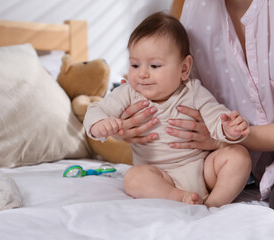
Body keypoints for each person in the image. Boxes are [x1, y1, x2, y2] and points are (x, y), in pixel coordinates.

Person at [117, 0, 274, 219]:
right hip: (217, 165)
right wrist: (124, 127)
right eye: (135, 65)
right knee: (134, 177)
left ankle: (209, 209)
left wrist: (226, 138)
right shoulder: (196, 10)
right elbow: (182, 95)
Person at [84, 12, 251, 207]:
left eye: (154, 65)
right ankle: (180, 197)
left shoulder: (193, 91)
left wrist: (228, 129)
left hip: (203, 170)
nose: (142, 74)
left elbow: (215, 116)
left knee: (239, 156)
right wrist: (100, 125)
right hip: (160, 176)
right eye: (135, 64)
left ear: (184, 69)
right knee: (133, 178)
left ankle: (213, 204)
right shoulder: (128, 93)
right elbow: (97, 109)